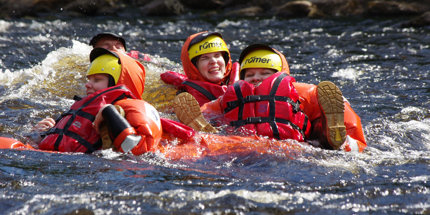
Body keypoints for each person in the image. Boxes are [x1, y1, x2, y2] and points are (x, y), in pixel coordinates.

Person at [175, 44, 367, 152]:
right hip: (280, 148)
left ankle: (332, 138)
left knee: (323, 134)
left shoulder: (303, 92)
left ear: (279, 74)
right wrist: (201, 122)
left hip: (284, 146)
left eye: (264, 73)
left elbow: (347, 119)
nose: (256, 78)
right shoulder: (233, 95)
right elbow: (204, 112)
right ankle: (334, 142)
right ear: (243, 78)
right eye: (250, 75)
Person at [34, 48, 162, 155]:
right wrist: (42, 133)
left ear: (118, 83)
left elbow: (140, 150)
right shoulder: (83, 108)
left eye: (97, 80)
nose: (87, 85)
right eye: (89, 79)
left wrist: (109, 112)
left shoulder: (134, 108)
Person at [160, 31, 240, 106]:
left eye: (217, 55)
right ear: (194, 67)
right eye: (205, 58)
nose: (213, 61)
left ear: (226, 60)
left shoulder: (245, 78)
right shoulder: (187, 99)